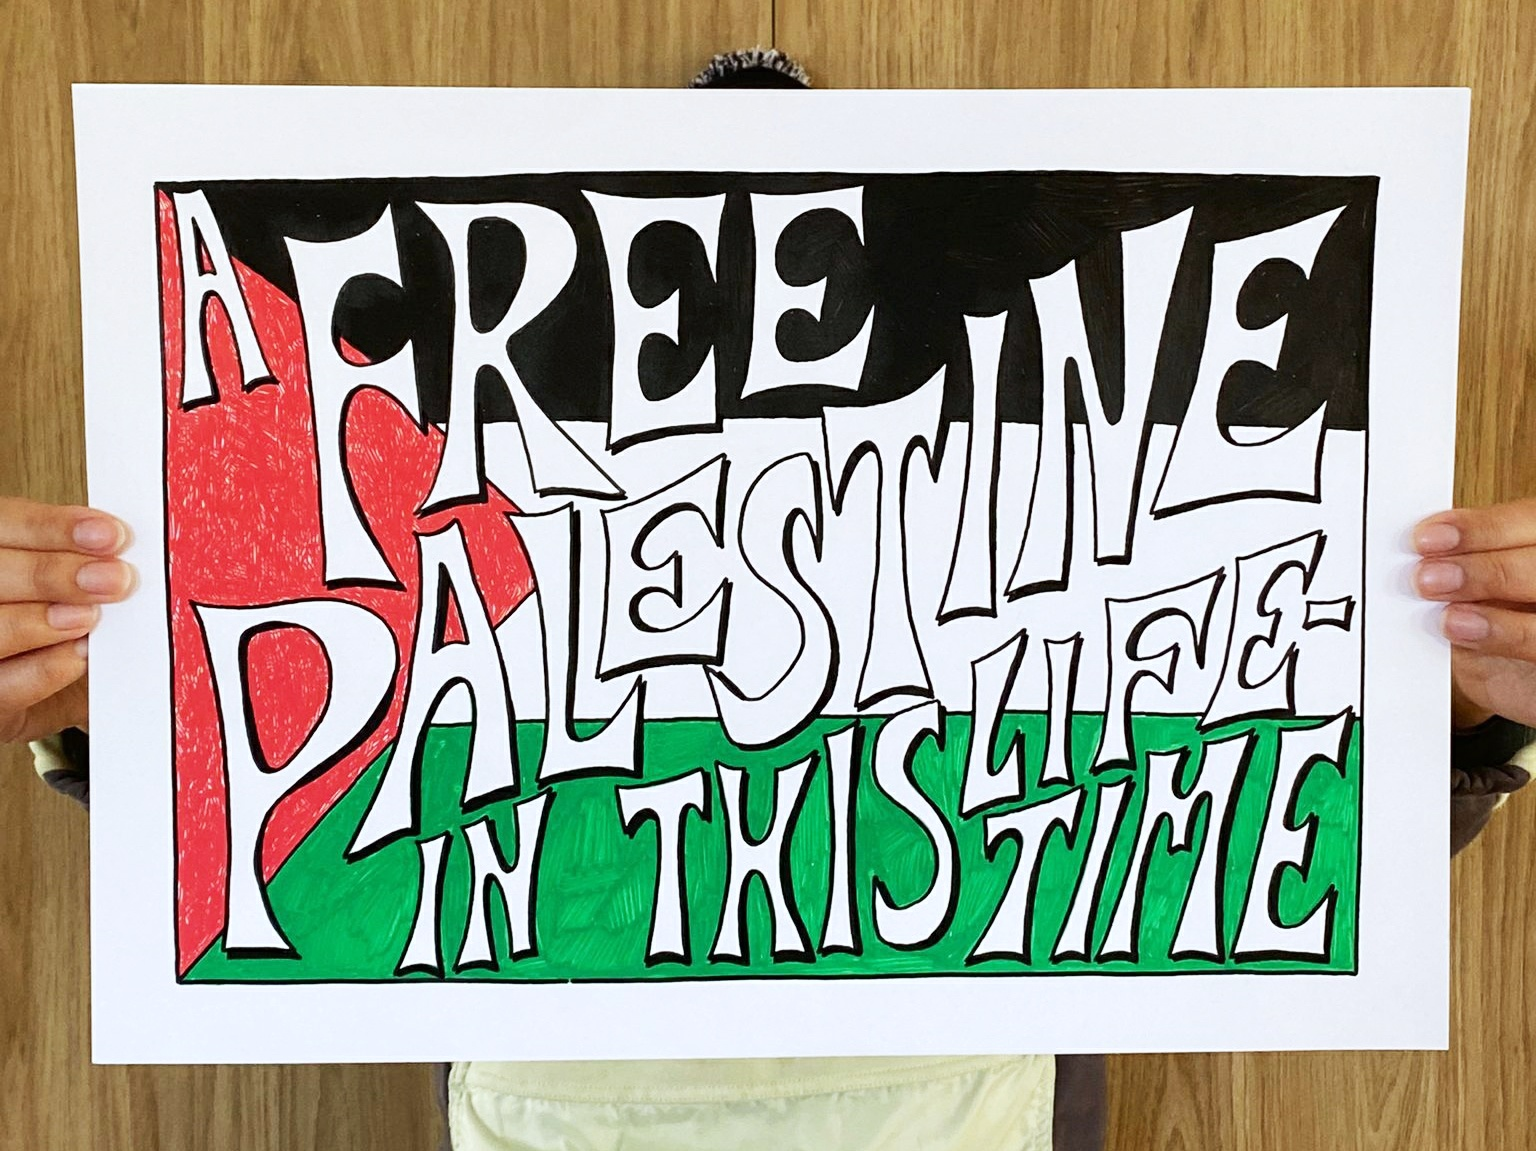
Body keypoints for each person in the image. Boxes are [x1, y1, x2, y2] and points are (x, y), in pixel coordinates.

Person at [8, 50, 1532, 1151]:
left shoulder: (1012, 508)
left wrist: (1469, 690)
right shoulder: (479, 525)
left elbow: (1243, 810)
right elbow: (312, 812)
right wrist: (81, 693)